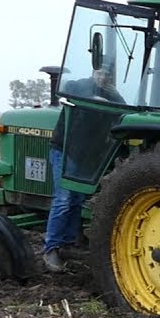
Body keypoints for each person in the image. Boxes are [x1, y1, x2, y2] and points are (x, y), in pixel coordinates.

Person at [44, 63, 124, 272]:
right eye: (100, 72)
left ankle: (68, 245)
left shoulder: (111, 95)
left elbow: (124, 109)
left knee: (77, 200)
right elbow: (72, 93)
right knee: (63, 199)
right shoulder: (77, 86)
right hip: (65, 149)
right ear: (93, 71)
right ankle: (51, 248)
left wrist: (112, 94)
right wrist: (95, 98)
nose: (103, 77)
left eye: (107, 74)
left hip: (84, 155)